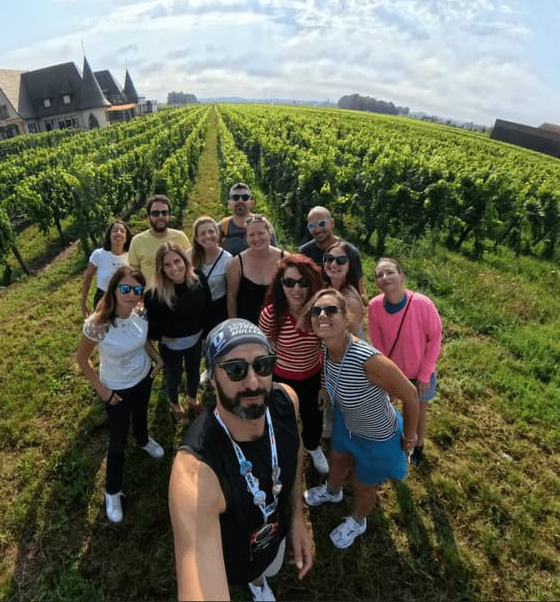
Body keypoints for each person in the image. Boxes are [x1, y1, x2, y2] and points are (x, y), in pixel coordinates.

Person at [170, 319, 315, 601]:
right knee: (248, 573)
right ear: (212, 378)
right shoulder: (196, 471)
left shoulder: (286, 401)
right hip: (231, 558)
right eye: (236, 370)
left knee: (269, 566)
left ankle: (260, 580)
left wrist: (297, 517)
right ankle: (254, 583)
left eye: (262, 365)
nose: (253, 383)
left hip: (276, 533)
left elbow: (295, 452)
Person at [303, 289, 420, 550]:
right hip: (347, 423)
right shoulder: (327, 345)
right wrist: (324, 387)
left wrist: (410, 437)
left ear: (346, 318)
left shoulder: (367, 359)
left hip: (377, 436)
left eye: (331, 310)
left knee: (363, 485)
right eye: (316, 311)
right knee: (338, 459)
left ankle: (358, 521)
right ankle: (332, 492)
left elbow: (411, 395)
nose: (322, 315)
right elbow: (330, 370)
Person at [76, 266, 166, 523]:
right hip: (116, 388)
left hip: (143, 377)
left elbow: (143, 340)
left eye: (137, 290)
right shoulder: (97, 324)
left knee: (141, 414)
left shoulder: (141, 312)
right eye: (125, 288)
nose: (132, 294)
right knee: (117, 441)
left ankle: (143, 440)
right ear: (113, 289)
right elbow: (82, 360)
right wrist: (103, 390)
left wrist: (156, 358)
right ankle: (112, 491)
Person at [258, 254, 329, 475]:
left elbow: (328, 350)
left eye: (303, 282)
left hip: (312, 376)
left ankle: (312, 447)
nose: (296, 289)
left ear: (312, 283)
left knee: (313, 418)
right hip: (282, 377)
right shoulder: (271, 315)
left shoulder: (321, 313)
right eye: (289, 282)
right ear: (280, 284)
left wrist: (324, 385)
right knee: (280, 419)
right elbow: (263, 349)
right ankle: (282, 451)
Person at [368, 257, 442, 466]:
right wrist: (387, 376)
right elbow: (378, 344)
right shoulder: (374, 306)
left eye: (390, 272)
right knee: (387, 408)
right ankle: (389, 444)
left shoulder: (422, 304)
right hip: (393, 373)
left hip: (419, 373)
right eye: (379, 275)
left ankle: (418, 446)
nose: (385, 277)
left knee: (418, 412)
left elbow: (435, 338)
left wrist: (425, 375)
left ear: (401, 276)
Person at [145, 242, 213, 424]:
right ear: (161, 269)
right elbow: (148, 325)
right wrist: (160, 336)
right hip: (171, 346)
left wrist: (205, 333)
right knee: (173, 377)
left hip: (195, 340)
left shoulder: (198, 278)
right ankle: (175, 405)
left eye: (177, 261)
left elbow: (208, 305)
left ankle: (192, 398)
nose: (174, 268)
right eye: (167, 265)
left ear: (185, 260)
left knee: (194, 372)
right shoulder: (155, 294)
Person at [226, 215, 286, 324]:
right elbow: (231, 297)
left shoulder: (284, 259)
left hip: (279, 324)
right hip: (247, 326)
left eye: (261, 233)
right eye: (251, 235)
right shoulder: (237, 263)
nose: (256, 238)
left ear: (270, 233)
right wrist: (234, 323)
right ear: (246, 237)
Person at [129, 194, 192, 286]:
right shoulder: (137, 241)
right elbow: (134, 274)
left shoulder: (180, 237)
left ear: (169, 216)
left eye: (164, 213)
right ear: (148, 216)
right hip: (149, 294)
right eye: (156, 213)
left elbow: (190, 266)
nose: (160, 216)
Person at [298, 207, 364, 294]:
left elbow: (359, 286)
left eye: (321, 224)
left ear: (332, 223)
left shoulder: (350, 252)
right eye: (312, 226)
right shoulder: (304, 253)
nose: (317, 229)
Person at [190, 216, 233, 337]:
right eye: (202, 234)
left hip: (217, 311)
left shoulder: (227, 259)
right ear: (197, 238)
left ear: (217, 233)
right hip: (195, 311)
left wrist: (231, 320)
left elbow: (231, 293)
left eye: (211, 231)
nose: (208, 236)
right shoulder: (189, 256)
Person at [80, 220, 132, 316]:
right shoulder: (98, 254)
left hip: (126, 299)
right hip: (103, 299)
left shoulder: (132, 255)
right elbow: (88, 278)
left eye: (122, 231)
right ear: (109, 236)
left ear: (127, 237)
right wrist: (83, 303)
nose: (118, 233)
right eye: (115, 231)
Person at [322, 241, 366, 339]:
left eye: (341, 260)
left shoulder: (350, 301)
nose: (333, 264)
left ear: (351, 265)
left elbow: (348, 341)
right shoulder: (328, 288)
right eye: (329, 258)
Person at [218, 183, 276, 255]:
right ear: (229, 204)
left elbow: (275, 255)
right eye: (235, 197)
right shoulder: (222, 227)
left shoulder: (263, 224)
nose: (240, 201)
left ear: (252, 203)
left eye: (245, 197)